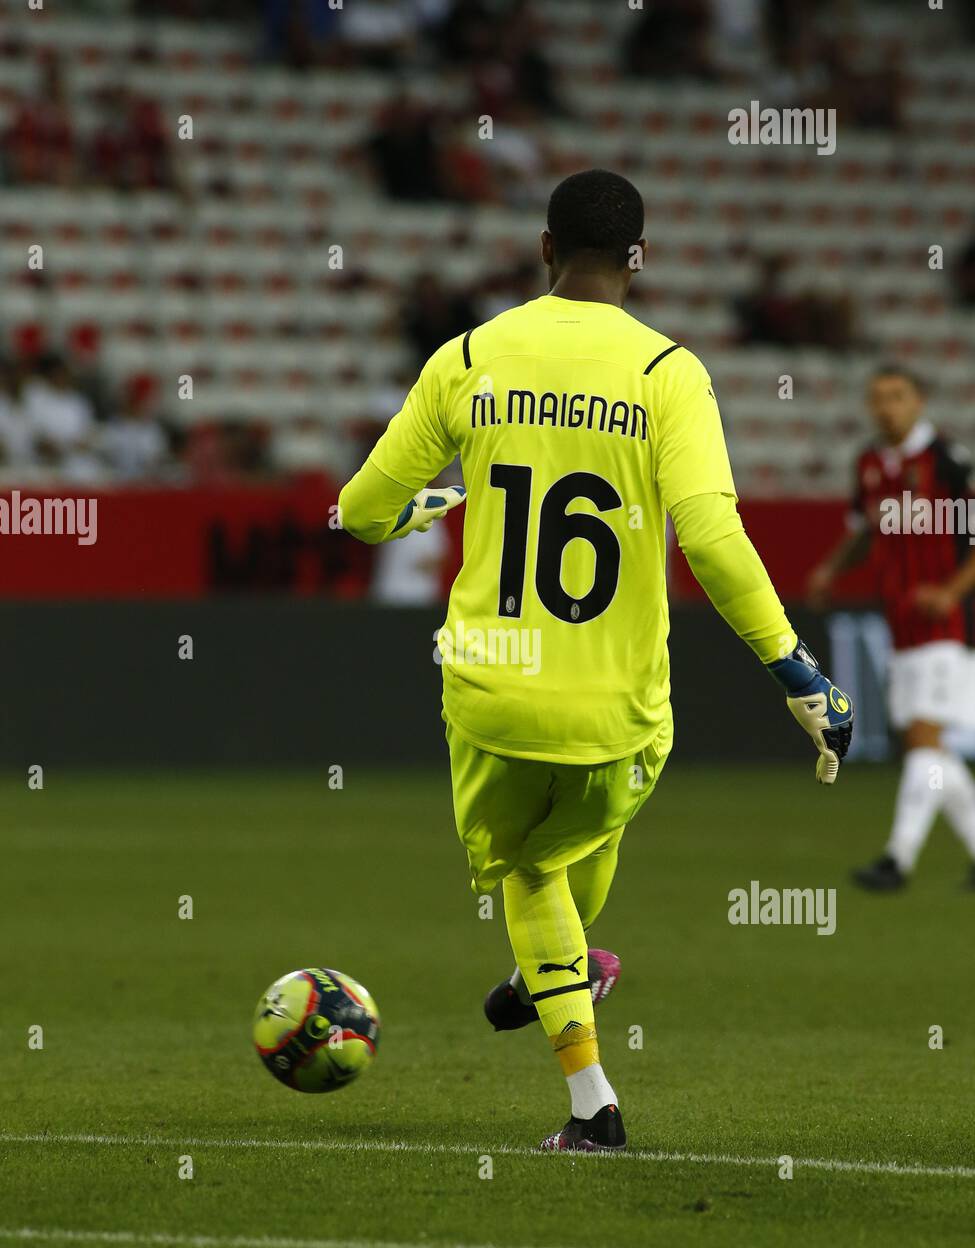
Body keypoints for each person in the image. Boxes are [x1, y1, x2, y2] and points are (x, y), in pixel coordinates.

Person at [339, 170, 853, 1152]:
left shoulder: (471, 356)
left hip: (492, 693)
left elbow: (361, 509)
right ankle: (568, 1004)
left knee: (529, 873)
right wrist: (797, 672)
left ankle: (588, 1089)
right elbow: (710, 537)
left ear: (543, 250)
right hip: (622, 705)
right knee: (566, 850)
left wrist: (421, 508)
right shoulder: (670, 373)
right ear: (639, 259)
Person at [808, 366, 975, 890]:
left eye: (898, 396)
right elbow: (863, 531)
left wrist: (950, 590)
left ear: (920, 400)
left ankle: (897, 859)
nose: (887, 407)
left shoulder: (948, 462)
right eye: (878, 398)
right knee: (930, 752)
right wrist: (832, 569)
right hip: (901, 627)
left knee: (925, 743)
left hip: (947, 625)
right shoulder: (870, 464)